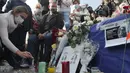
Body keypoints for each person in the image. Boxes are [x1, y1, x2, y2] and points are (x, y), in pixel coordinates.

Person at [26, 2, 64, 67]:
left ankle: (44, 61)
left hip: (51, 33)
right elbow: (39, 26)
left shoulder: (59, 16)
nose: (53, 8)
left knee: (48, 37)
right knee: (31, 39)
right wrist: (39, 34)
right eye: (52, 6)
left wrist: (45, 34)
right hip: (42, 34)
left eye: (55, 6)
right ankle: (30, 61)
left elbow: (58, 26)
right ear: (49, 7)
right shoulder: (45, 16)